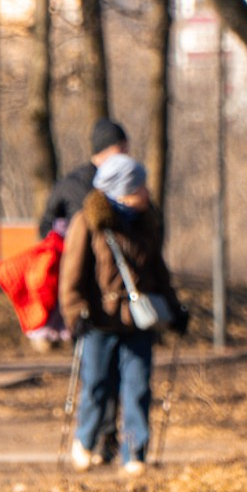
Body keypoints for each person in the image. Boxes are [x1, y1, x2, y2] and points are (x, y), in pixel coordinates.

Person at [59, 154, 184, 474]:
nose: (146, 191)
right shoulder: (87, 222)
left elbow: (159, 271)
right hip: (99, 321)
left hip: (139, 321)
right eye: (139, 185)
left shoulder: (147, 222)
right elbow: (72, 274)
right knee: (97, 385)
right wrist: (76, 312)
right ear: (121, 189)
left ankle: (135, 454)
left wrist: (174, 309)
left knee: (138, 387)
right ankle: (84, 442)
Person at [38, 118, 131, 238]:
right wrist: (65, 243)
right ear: (105, 149)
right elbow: (46, 225)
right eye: (121, 148)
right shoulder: (71, 184)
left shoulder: (128, 183)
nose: (126, 154)